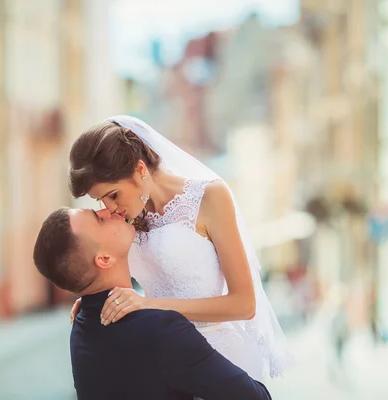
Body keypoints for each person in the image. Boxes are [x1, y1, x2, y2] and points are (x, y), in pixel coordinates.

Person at [68, 116, 292, 380]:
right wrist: (96, 301)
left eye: (113, 195)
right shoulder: (128, 219)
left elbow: (244, 304)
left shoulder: (210, 198)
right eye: (100, 200)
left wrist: (149, 305)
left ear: (140, 170)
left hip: (218, 360)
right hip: (162, 359)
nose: (109, 208)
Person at [33, 206, 273, 400]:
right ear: (104, 259)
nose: (107, 210)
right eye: (99, 219)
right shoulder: (161, 329)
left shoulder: (81, 323)